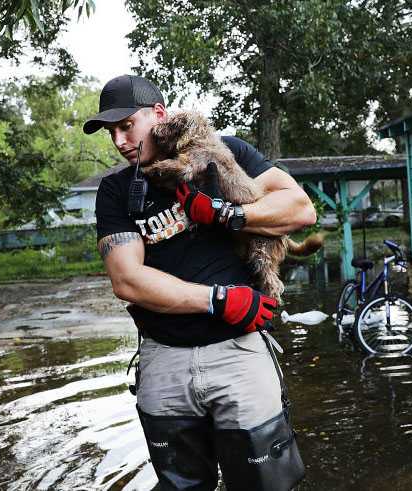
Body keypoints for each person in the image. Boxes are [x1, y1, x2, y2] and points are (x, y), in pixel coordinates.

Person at [85, 74, 314, 490]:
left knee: (267, 482)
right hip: (164, 360)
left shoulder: (224, 153)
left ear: (158, 115)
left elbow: (300, 210)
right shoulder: (117, 191)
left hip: (238, 354)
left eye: (126, 126)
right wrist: (218, 299)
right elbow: (127, 279)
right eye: (110, 132)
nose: (118, 141)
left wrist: (228, 214)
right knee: (182, 486)